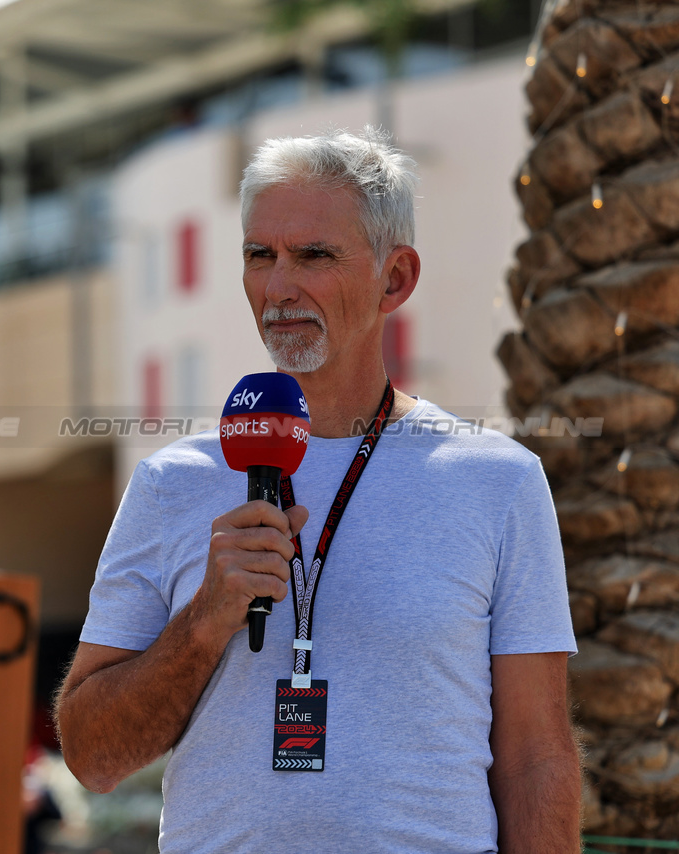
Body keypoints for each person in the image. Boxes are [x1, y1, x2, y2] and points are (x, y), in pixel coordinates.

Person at [56, 127, 580, 853]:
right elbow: (91, 757)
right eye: (259, 255)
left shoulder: (497, 482)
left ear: (394, 279)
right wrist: (206, 619)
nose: (278, 287)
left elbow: (536, 759)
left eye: (314, 256)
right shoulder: (171, 483)